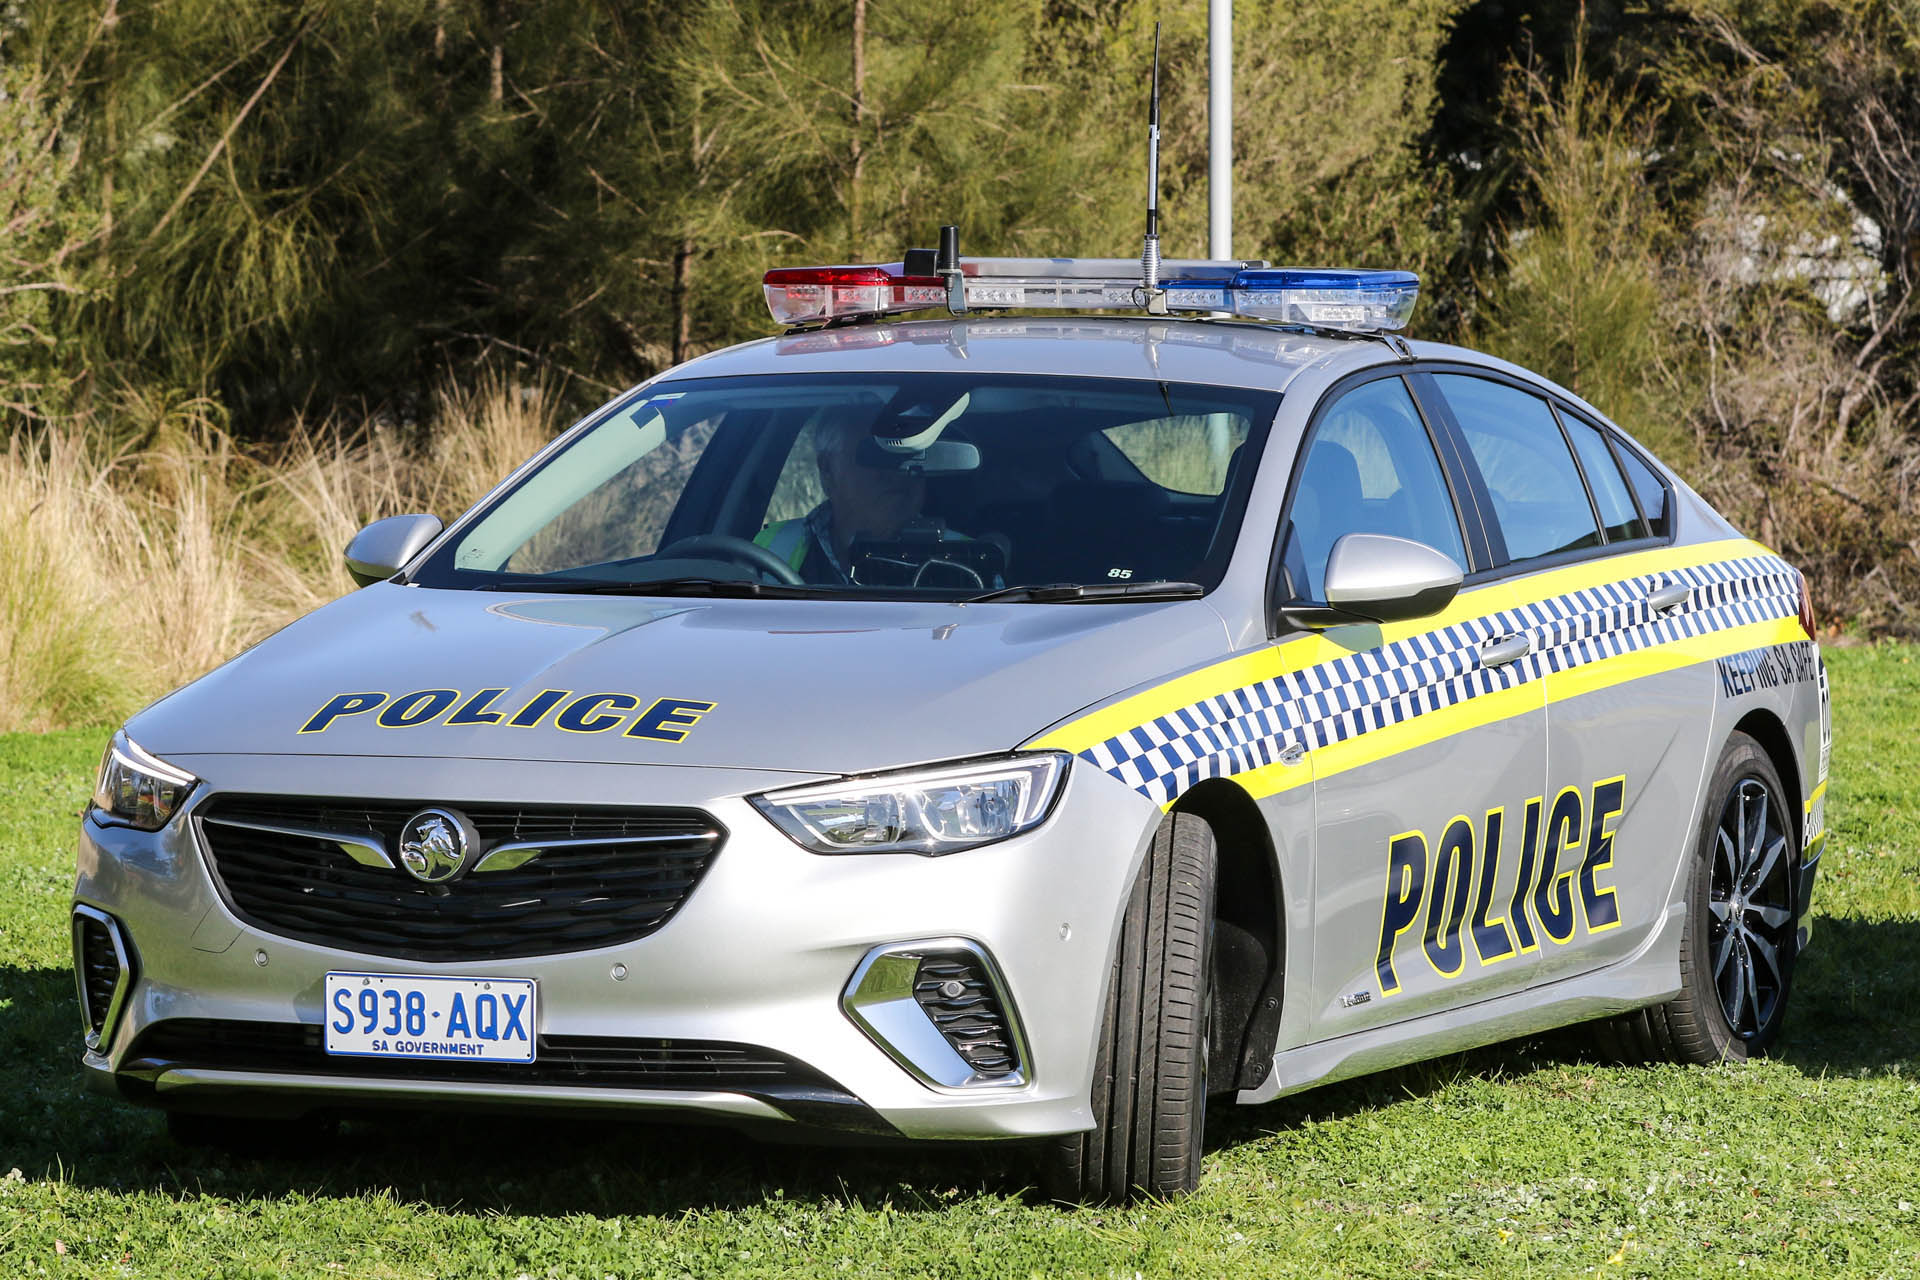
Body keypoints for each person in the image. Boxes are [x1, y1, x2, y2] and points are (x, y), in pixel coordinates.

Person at [754, 419, 928, 583]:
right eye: (874, 455)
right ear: (828, 469)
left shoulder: (955, 558)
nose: (896, 471)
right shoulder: (768, 550)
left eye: (909, 456)